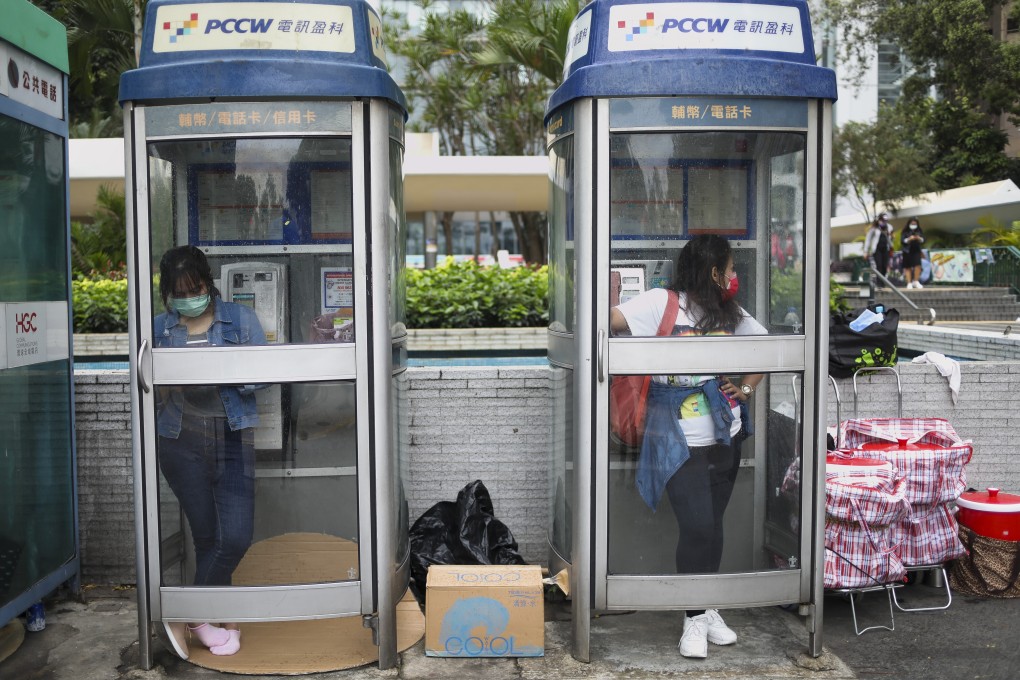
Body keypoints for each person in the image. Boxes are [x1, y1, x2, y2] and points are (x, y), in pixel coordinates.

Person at [609, 234, 765, 660]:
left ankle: (707, 605)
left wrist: (746, 389)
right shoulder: (662, 303)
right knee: (697, 527)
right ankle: (693, 618)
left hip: (724, 434)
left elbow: (767, 345)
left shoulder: (728, 312)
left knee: (713, 526)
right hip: (675, 439)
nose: (734, 278)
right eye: (730, 270)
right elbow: (608, 322)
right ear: (714, 272)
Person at [154, 245, 267, 658]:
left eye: (194, 287)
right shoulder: (160, 329)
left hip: (232, 439)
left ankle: (191, 615)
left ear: (208, 283)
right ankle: (220, 615)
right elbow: (148, 386)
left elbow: (264, 376)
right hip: (180, 443)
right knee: (206, 539)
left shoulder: (240, 320)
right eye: (178, 291)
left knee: (235, 538)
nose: (188, 297)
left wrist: (222, 373)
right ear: (168, 292)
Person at [863, 213, 895, 288]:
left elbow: (892, 238)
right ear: (879, 220)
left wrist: (891, 237)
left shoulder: (889, 227)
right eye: (882, 220)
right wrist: (866, 251)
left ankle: (883, 282)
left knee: (884, 266)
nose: (884, 222)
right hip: (877, 249)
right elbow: (868, 239)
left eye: (885, 220)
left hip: (886, 249)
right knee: (879, 265)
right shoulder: (874, 228)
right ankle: (879, 283)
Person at [901, 218, 925, 288]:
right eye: (912, 224)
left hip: (916, 250)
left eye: (915, 224)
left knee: (918, 265)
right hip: (907, 251)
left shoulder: (919, 230)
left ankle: (916, 281)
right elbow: (902, 241)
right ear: (909, 224)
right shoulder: (905, 231)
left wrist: (919, 238)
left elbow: (923, 240)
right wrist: (909, 239)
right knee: (908, 267)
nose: (913, 225)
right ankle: (909, 282)